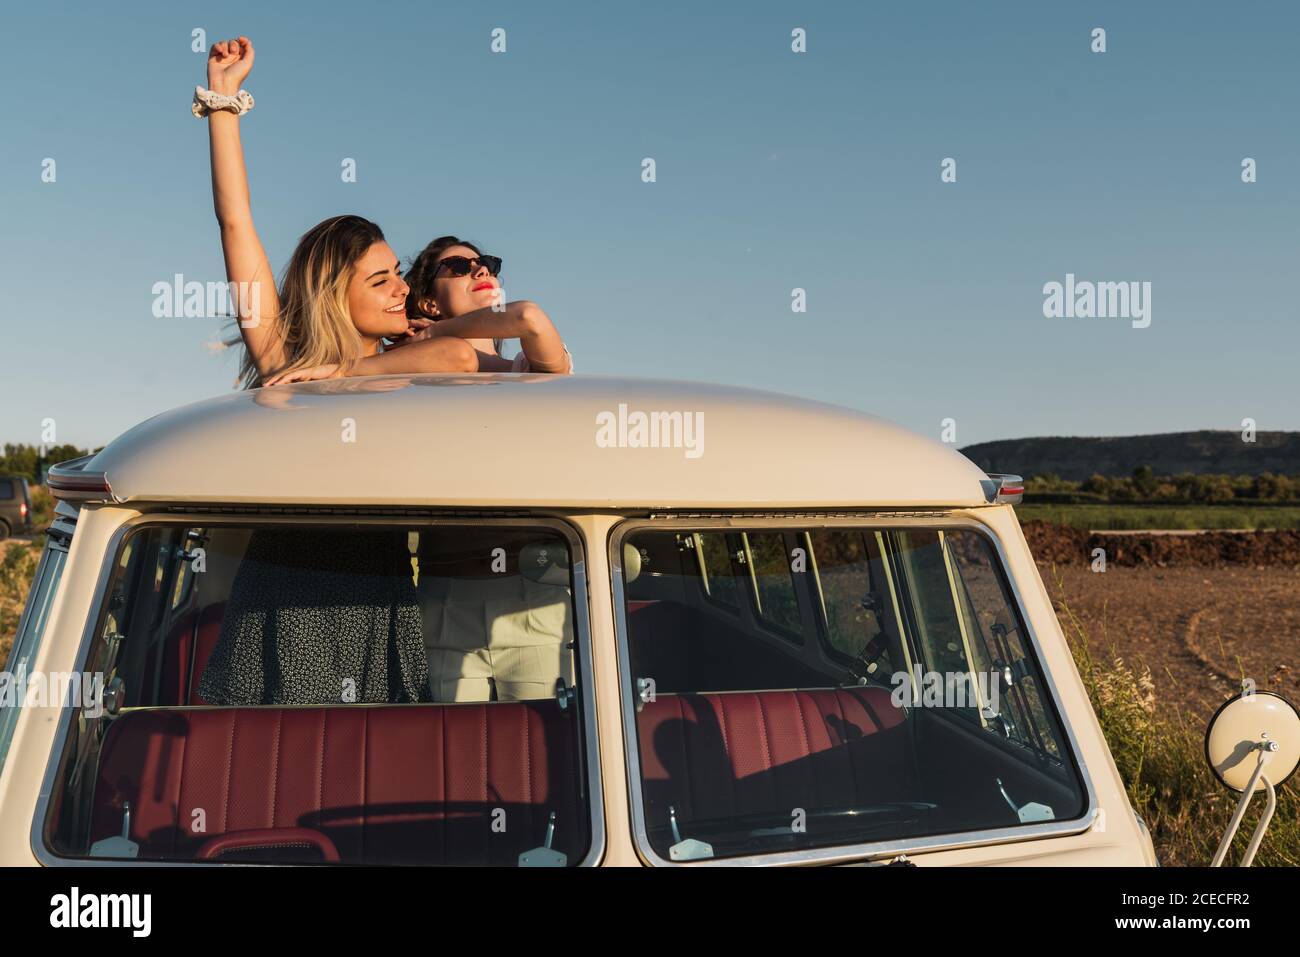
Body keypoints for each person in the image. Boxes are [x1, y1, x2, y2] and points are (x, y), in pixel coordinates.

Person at [201, 36, 478, 387]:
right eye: (380, 281)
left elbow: (460, 356)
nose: (402, 288)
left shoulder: (406, 360)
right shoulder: (284, 362)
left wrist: (344, 370)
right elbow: (234, 222)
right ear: (332, 297)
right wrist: (223, 97)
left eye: (395, 272)